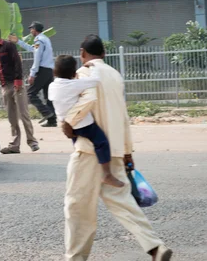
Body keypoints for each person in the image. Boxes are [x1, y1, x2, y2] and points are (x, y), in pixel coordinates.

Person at [61, 35, 172, 261]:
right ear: (103, 54)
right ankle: (155, 247)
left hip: (89, 152)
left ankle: (75, 257)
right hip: (114, 152)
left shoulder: (83, 74)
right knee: (124, 203)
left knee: (77, 207)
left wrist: (68, 122)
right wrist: (127, 151)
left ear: (82, 53)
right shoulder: (115, 75)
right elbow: (122, 115)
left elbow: (85, 102)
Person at [48, 55, 124, 188]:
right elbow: (95, 81)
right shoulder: (75, 84)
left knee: (79, 149)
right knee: (101, 143)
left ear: (54, 72)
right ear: (73, 73)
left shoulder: (52, 86)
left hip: (65, 123)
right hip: (83, 123)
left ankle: (82, 177)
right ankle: (106, 174)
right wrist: (92, 68)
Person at [0, 23, 39, 154]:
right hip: (5, 86)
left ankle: (32, 141)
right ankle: (14, 145)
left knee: (24, 114)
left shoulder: (9, 46)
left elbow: (17, 63)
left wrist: (18, 81)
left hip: (16, 85)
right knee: (11, 117)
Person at [10, 21, 56, 127]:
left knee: (31, 94)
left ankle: (46, 113)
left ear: (35, 29)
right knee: (48, 95)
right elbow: (32, 49)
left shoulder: (39, 40)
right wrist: (18, 41)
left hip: (42, 69)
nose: (30, 31)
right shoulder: (45, 39)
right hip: (49, 70)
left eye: (31, 29)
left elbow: (37, 57)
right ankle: (52, 120)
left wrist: (32, 74)